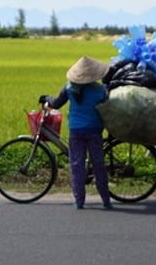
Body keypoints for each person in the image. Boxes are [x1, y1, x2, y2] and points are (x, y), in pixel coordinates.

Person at [40, 56, 112, 210]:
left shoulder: (69, 88)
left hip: (76, 131)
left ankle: (79, 201)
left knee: (76, 165)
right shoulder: (100, 90)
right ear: (94, 75)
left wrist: (46, 98)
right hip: (95, 131)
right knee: (99, 165)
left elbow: (56, 103)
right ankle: (106, 200)